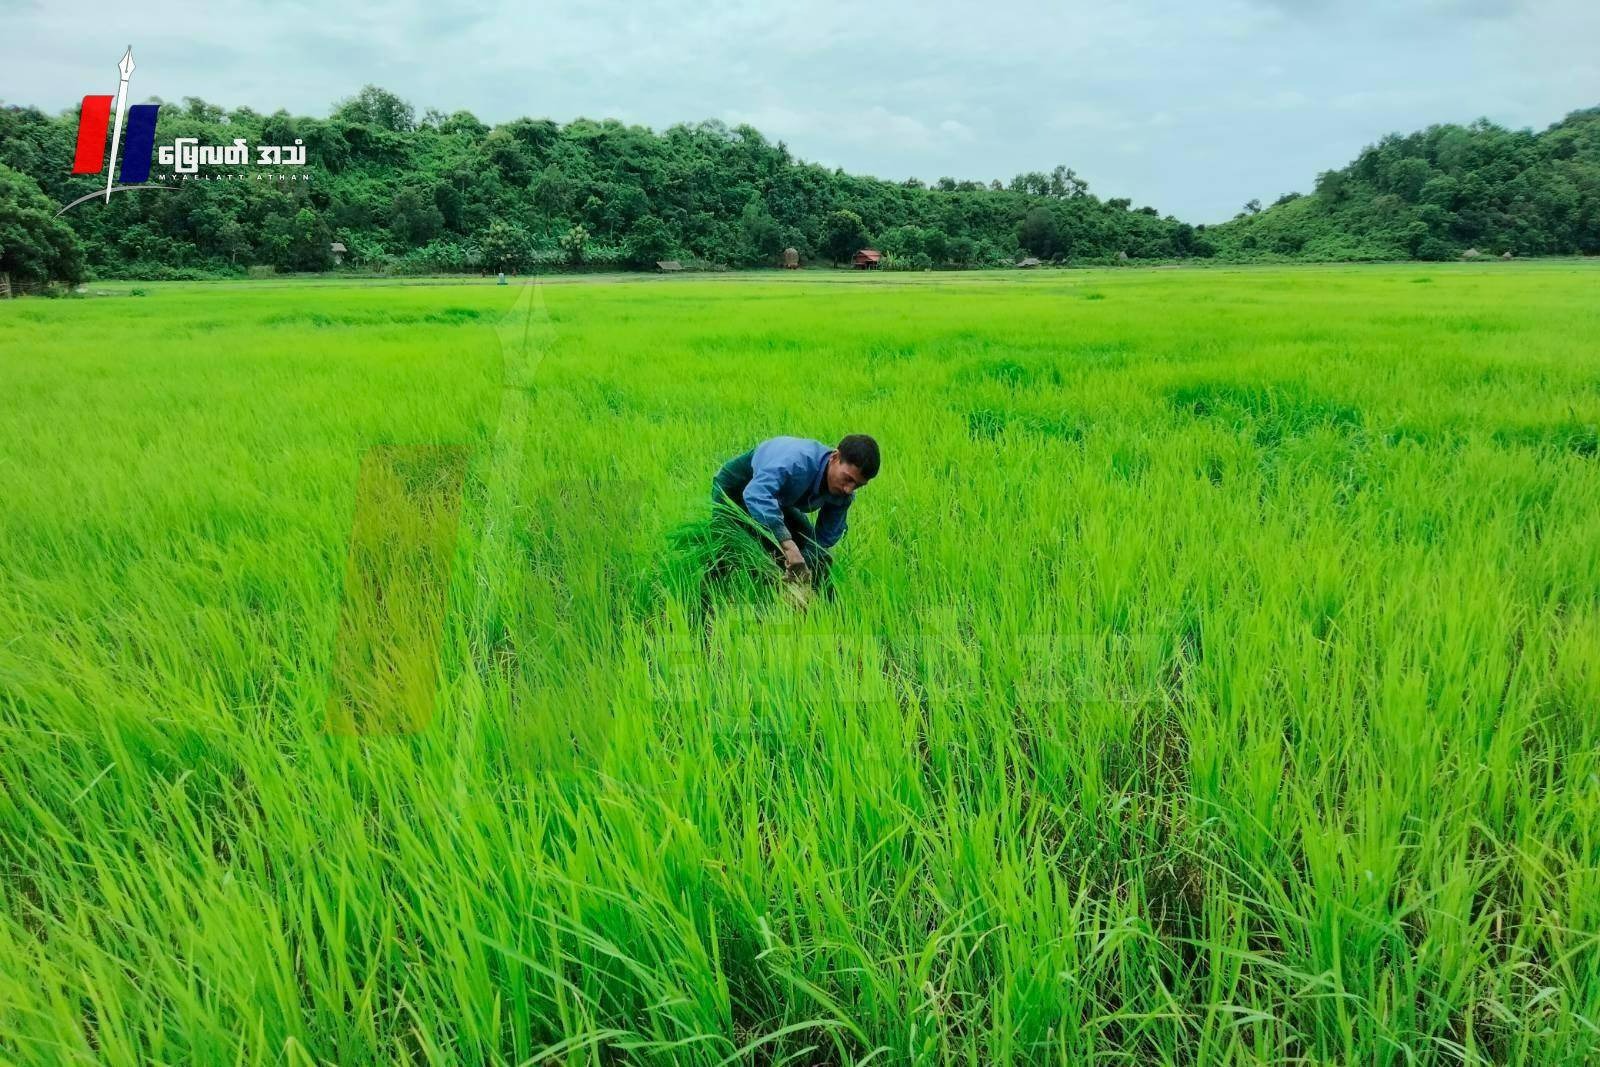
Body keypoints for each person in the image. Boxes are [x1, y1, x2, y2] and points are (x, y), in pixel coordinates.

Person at [711, 434, 880, 587]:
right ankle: (705, 601)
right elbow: (757, 494)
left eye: (857, 485)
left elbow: (822, 539)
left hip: (775, 500)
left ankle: (813, 607)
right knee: (726, 552)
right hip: (735, 489)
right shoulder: (796, 462)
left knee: (819, 559)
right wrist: (789, 546)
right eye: (848, 479)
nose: (848, 489)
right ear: (835, 457)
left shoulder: (843, 495)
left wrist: (802, 563)